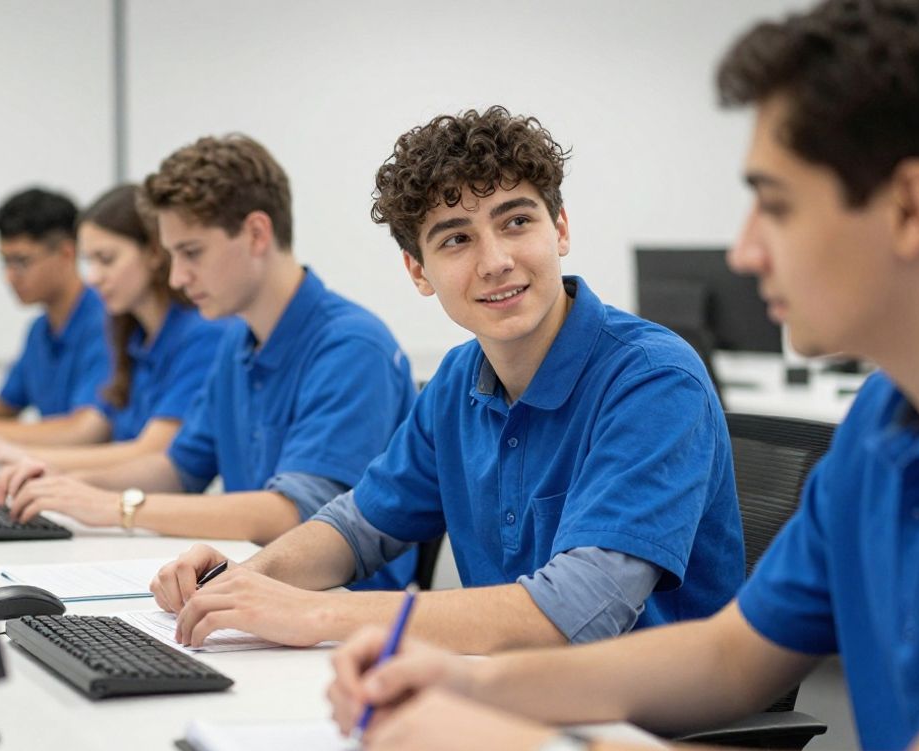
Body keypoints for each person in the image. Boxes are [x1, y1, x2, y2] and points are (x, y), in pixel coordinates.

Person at [326, 1, 919, 751]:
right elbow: (732, 655)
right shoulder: (884, 422)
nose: (747, 250)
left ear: (910, 209)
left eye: (777, 204)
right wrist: (469, 690)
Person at [149, 106, 743, 655]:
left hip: (642, 727)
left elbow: (579, 609)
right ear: (419, 270)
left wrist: (318, 616)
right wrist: (241, 582)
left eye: (516, 222)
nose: (494, 261)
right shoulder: (460, 378)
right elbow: (361, 526)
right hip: (502, 691)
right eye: (456, 238)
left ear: (559, 229)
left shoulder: (653, 380)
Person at [0, 135, 418, 590]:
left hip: (338, 619)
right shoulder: (238, 342)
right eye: (171, 255)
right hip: (254, 594)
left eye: (191, 253)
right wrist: (65, 481)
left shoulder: (351, 347)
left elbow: (291, 513)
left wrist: (118, 507)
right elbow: (177, 467)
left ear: (256, 234)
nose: (176, 277)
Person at [0, 184, 228, 470]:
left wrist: (27, 458)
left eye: (106, 259)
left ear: (154, 252)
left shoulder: (201, 334)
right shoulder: (133, 336)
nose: (94, 277)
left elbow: (152, 456)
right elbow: (6, 404)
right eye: (89, 261)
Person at [0, 187, 111, 446]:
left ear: (66, 253)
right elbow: (6, 404)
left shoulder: (108, 322)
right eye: (4, 261)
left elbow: (82, 430)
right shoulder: (40, 330)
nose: (10, 276)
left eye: (21, 261)